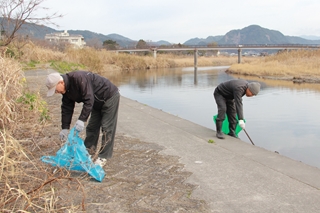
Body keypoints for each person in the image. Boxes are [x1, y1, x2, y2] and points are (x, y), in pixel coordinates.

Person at [45, 71, 120, 167]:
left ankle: (103, 156)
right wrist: (65, 128)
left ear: (61, 82)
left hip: (109, 96)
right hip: (96, 102)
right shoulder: (66, 91)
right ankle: (89, 152)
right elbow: (67, 109)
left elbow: (89, 99)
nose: (56, 92)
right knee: (92, 127)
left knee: (107, 128)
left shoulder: (78, 78)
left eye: (55, 89)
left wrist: (81, 120)